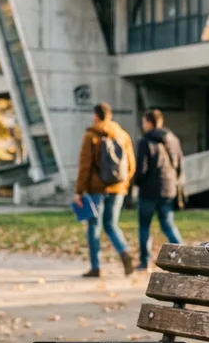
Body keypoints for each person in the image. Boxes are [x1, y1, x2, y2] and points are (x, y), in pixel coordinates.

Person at [75, 102, 137, 278]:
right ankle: (124, 252)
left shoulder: (90, 136)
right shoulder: (123, 136)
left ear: (95, 116)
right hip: (118, 189)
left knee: (94, 227)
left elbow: (85, 166)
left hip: (96, 189)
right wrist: (123, 183)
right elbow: (131, 165)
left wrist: (79, 190)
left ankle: (95, 267)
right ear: (110, 116)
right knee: (111, 224)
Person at [133, 109, 185, 270]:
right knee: (168, 225)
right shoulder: (173, 139)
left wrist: (136, 182)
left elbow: (142, 168)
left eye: (144, 122)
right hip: (168, 189)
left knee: (144, 226)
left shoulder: (145, 141)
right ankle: (184, 257)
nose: (143, 125)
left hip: (149, 191)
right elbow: (179, 165)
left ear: (149, 122)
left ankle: (144, 261)